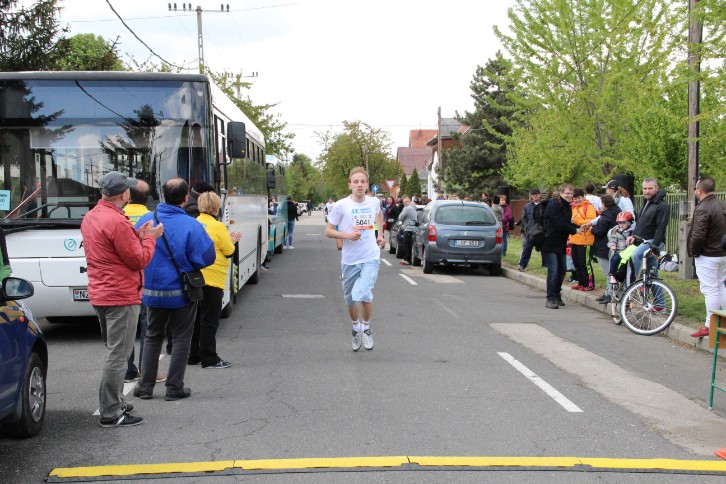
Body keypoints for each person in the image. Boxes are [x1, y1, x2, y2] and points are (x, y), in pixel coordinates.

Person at [81, 171, 163, 427]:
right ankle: (111, 411)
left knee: (113, 351)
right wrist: (150, 240)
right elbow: (138, 259)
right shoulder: (117, 221)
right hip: (121, 294)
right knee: (118, 355)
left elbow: (111, 249)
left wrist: (137, 236)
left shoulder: (92, 216)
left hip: (101, 292)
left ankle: (114, 402)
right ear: (123, 194)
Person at [133, 178, 216, 402]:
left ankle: (145, 387)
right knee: (181, 339)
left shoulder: (146, 219)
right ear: (185, 198)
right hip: (181, 292)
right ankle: (174, 388)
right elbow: (208, 256)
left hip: (151, 291)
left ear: (163, 195)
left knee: (152, 337)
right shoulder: (192, 225)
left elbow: (134, 249)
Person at [325, 167, 386, 351]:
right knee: (351, 299)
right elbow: (328, 230)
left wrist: (380, 235)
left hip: (370, 256)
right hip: (350, 259)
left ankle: (366, 328)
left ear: (367, 185)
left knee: (364, 294)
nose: (360, 185)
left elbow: (379, 214)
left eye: (363, 182)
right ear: (350, 185)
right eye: (356, 182)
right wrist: (347, 236)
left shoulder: (374, 201)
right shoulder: (341, 205)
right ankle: (356, 328)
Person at [189, 192, 241, 367]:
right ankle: (209, 357)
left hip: (195, 278)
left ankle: (192, 354)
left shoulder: (194, 223)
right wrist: (231, 241)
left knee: (196, 319)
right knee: (210, 320)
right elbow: (228, 251)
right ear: (216, 207)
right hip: (213, 278)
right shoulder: (218, 227)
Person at [122, 180, 166, 385]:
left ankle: (127, 371)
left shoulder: (119, 216)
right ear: (148, 198)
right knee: (148, 328)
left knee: (126, 328)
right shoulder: (152, 218)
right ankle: (148, 370)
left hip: (125, 279)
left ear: (127, 195)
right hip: (147, 277)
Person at [687, 177, 726, 338]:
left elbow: (698, 235)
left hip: (707, 254)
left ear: (699, 190)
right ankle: (723, 321)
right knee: (721, 286)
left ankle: (710, 325)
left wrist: (693, 251)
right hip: (722, 253)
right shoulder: (722, 204)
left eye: (696, 188)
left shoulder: (703, 208)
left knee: (710, 290)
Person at [541, 184, 583, 309]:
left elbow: (567, 223)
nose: (569, 196)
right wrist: (576, 231)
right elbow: (560, 224)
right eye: (567, 193)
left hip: (560, 243)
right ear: (560, 193)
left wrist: (580, 227)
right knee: (553, 270)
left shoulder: (567, 206)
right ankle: (550, 298)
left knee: (562, 270)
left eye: (571, 193)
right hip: (549, 243)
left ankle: (556, 293)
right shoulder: (553, 205)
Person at [626, 178, 670, 278]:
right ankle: (652, 286)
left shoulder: (662, 205)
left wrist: (655, 247)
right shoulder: (647, 202)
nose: (647, 191)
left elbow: (661, 227)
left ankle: (638, 282)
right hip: (644, 240)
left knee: (636, 255)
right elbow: (641, 223)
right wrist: (634, 236)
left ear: (656, 188)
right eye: (645, 188)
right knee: (652, 274)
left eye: (650, 188)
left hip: (653, 241)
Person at [590, 195, 621, 304]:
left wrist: (591, 229)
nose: (600, 206)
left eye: (601, 204)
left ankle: (610, 294)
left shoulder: (606, 217)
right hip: (615, 245)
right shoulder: (617, 211)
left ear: (605, 205)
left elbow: (599, 232)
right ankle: (608, 292)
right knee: (611, 271)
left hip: (604, 246)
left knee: (608, 272)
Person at [569, 188, 597, 291]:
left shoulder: (588, 207)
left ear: (583, 196)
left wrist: (576, 221)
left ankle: (589, 284)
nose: (577, 200)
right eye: (575, 198)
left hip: (586, 239)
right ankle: (581, 283)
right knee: (577, 263)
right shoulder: (573, 208)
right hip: (575, 239)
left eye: (578, 198)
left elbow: (591, 220)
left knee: (585, 263)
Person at [518, 189, 542, 271]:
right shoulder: (527, 206)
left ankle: (548, 266)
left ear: (540, 195)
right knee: (527, 248)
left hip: (541, 232)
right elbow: (523, 218)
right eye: (533, 194)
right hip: (531, 232)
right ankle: (522, 265)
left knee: (545, 250)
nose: (535, 196)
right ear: (531, 196)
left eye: (536, 194)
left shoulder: (543, 205)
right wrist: (527, 226)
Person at [397, 196, 417, 265]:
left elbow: (400, 218)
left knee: (406, 245)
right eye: (403, 202)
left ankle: (407, 260)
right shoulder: (414, 208)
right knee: (409, 245)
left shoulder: (407, 208)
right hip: (413, 229)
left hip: (408, 228)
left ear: (409, 201)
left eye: (406, 201)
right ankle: (407, 259)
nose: (405, 203)